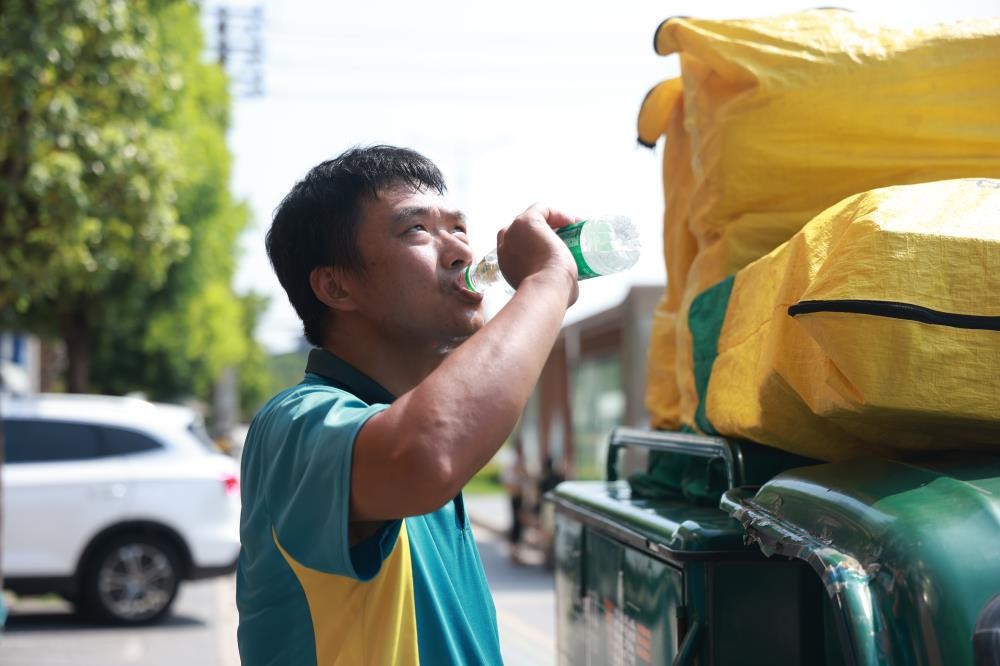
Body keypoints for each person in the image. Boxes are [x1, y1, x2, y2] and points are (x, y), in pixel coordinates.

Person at [236, 145, 579, 665]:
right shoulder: (294, 423)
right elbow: (425, 453)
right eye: (417, 230)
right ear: (336, 285)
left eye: (459, 228)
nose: (461, 251)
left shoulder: (417, 415)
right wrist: (548, 281)